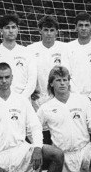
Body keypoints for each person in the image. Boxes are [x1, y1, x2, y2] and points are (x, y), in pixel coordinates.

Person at [28, 15, 71, 145]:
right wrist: (31, 91)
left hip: (58, 98)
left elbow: (68, 73)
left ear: (56, 31)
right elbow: (28, 74)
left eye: (52, 30)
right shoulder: (30, 49)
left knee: (60, 132)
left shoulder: (64, 48)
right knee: (40, 133)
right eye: (45, 30)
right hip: (38, 98)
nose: (48, 33)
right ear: (40, 30)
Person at [0, 13, 37, 100]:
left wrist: (22, 98)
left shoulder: (27, 52)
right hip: (2, 101)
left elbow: (32, 80)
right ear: (1, 30)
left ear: (18, 29)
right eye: (7, 28)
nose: (11, 31)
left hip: (23, 100)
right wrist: (2, 99)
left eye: (13, 27)